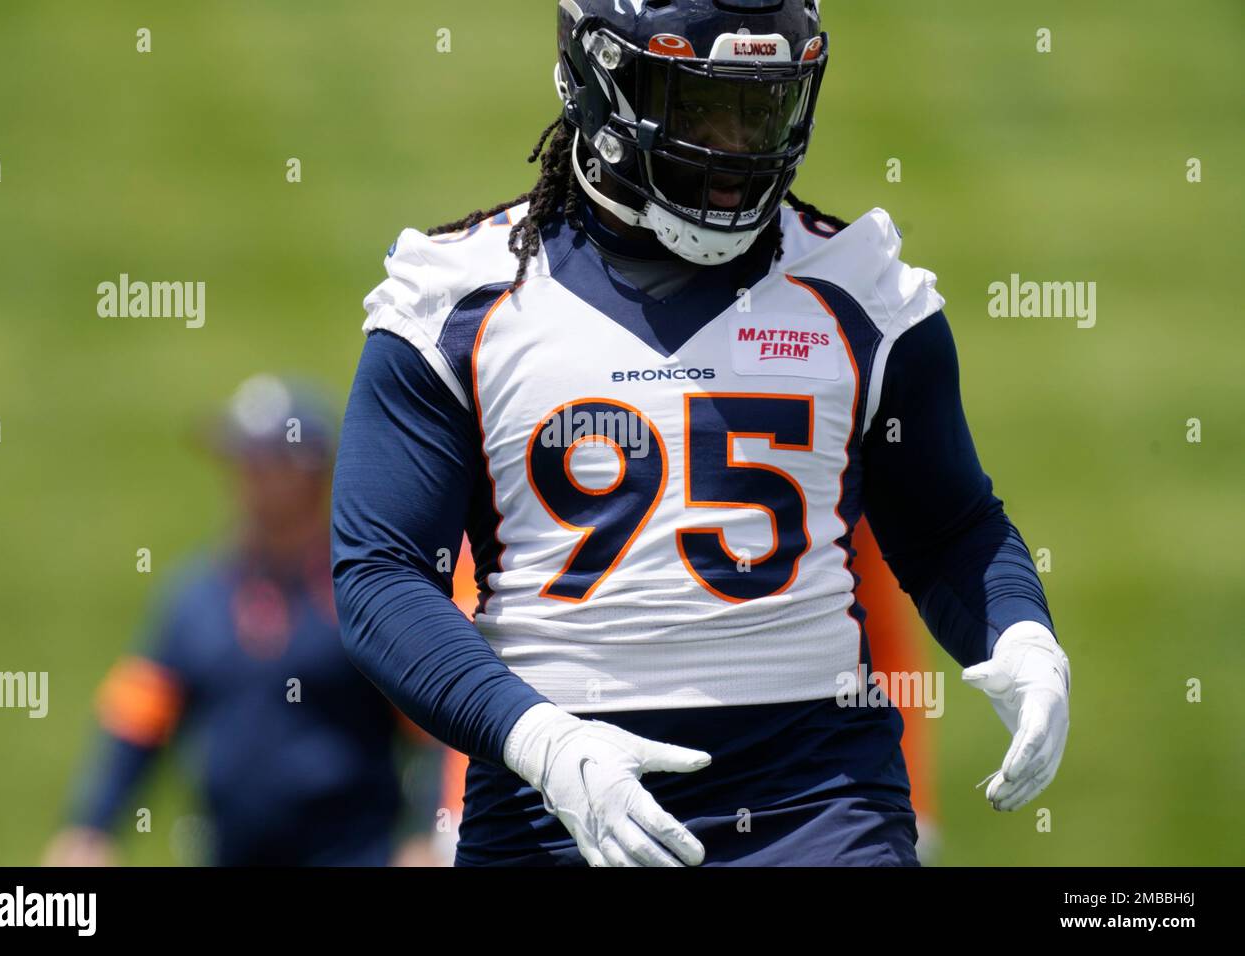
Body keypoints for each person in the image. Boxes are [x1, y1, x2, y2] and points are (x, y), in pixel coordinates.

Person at [332, 0, 1070, 867]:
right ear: (602, 84)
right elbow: (379, 574)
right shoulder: (456, 301)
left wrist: (1019, 631)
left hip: (817, 800)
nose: (735, 151)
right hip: (551, 800)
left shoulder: (863, 290)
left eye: (760, 109)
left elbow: (949, 527)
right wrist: (538, 740)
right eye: (699, 106)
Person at [46, 375, 440, 866]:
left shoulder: (360, 595)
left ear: (314, 473)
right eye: (241, 460)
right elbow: (137, 721)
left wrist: (425, 835)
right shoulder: (196, 597)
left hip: (355, 853)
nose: (249, 478)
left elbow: (434, 731)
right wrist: (90, 830)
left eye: (268, 462)